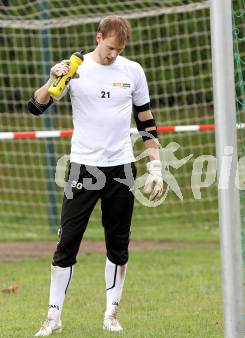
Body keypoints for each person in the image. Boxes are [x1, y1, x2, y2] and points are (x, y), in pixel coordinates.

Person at [29, 16, 164, 336]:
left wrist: (155, 166)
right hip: (83, 168)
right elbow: (35, 107)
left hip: (122, 168)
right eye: (109, 47)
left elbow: (146, 121)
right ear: (98, 37)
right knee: (67, 243)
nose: (113, 54)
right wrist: (51, 80)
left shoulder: (133, 71)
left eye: (118, 50)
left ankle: (111, 314)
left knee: (118, 244)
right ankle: (53, 317)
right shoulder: (75, 68)